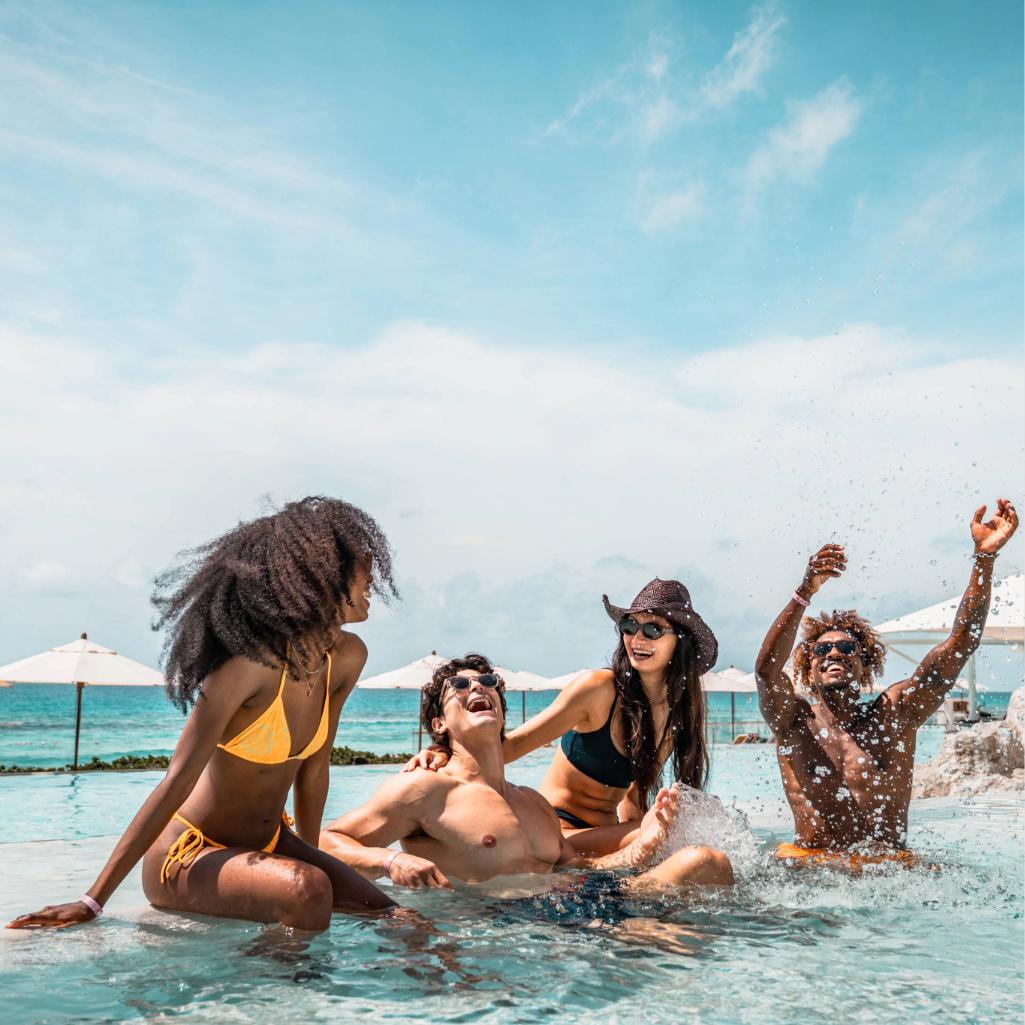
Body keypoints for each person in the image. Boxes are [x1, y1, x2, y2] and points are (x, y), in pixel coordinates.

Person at [8, 497, 399, 932]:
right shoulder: (247, 668)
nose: (372, 580)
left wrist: (311, 855)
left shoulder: (346, 658)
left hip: (269, 843)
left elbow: (314, 769)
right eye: (361, 570)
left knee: (392, 915)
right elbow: (177, 780)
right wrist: (92, 900)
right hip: (190, 854)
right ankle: (278, 997)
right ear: (318, 579)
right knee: (307, 890)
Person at [321, 654, 733, 894]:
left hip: (572, 919)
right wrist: (390, 861)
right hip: (497, 934)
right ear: (438, 725)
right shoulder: (426, 791)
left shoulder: (533, 804)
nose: (477, 688)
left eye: (487, 682)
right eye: (459, 686)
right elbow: (326, 841)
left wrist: (646, 844)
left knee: (708, 862)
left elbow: (585, 871)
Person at [755, 498, 1018, 869]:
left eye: (848, 647)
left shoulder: (895, 714)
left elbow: (960, 645)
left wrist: (984, 560)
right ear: (807, 664)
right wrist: (805, 591)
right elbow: (766, 671)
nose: (834, 653)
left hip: (887, 870)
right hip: (812, 865)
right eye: (821, 648)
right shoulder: (793, 721)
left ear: (865, 665)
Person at [407, 580, 718, 856]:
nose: (637, 638)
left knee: (685, 832)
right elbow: (511, 747)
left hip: (607, 836)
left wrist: (654, 831)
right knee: (673, 837)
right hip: (558, 832)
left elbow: (634, 802)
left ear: (681, 642)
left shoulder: (673, 715)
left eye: (652, 629)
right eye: (629, 626)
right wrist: (443, 752)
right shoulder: (598, 690)